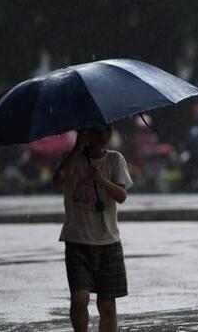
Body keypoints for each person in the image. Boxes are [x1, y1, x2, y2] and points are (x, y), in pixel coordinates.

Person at [52, 125, 133, 332]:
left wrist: (101, 179)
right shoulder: (72, 159)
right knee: (80, 298)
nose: (102, 136)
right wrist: (76, 150)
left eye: (107, 130)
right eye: (95, 131)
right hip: (77, 241)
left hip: (108, 241)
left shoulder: (115, 159)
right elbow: (58, 180)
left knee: (107, 303)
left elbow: (121, 196)